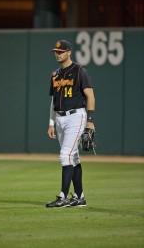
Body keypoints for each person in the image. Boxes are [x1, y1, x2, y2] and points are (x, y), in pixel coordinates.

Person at [46, 40, 95, 208]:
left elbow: (90, 96)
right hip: (59, 118)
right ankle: (80, 197)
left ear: (69, 52)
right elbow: (53, 101)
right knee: (73, 157)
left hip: (76, 116)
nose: (58, 54)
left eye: (61, 51)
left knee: (65, 155)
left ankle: (63, 197)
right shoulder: (55, 74)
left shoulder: (80, 71)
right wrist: (51, 122)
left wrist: (90, 121)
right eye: (56, 51)